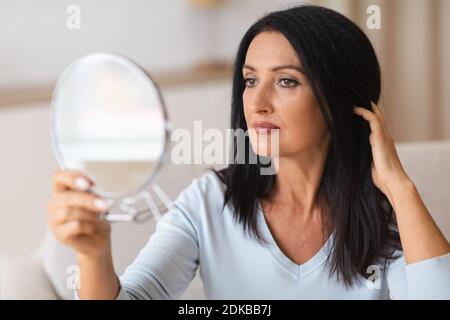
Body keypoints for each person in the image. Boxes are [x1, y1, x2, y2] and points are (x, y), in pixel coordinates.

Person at [47, 5, 450, 299]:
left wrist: (400, 188)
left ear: (341, 100)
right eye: (250, 80)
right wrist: (94, 255)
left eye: (287, 82)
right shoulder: (207, 204)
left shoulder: (381, 220)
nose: (257, 102)